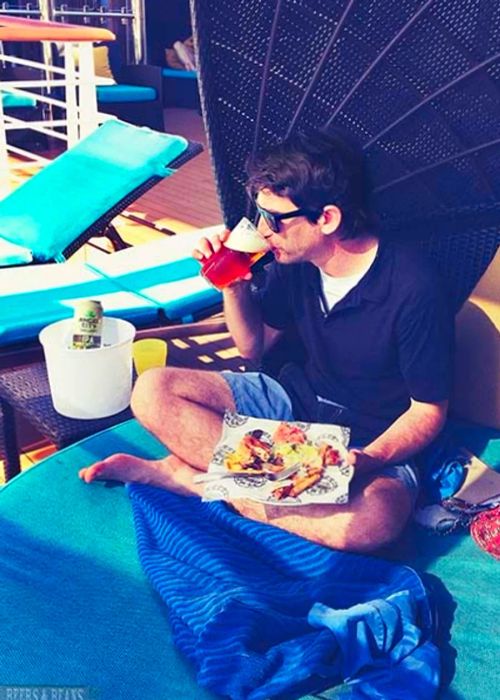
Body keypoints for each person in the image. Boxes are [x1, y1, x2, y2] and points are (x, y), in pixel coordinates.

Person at [79, 128, 454, 552]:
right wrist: (233, 283)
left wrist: (373, 458)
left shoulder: (412, 287)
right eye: (258, 213)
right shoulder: (293, 259)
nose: (262, 229)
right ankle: (247, 485)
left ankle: (193, 477)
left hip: (367, 439)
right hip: (290, 409)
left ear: (326, 218)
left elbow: (427, 411)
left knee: (371, 522)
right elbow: (252, 347)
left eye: (274, 219)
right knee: (152, 391)